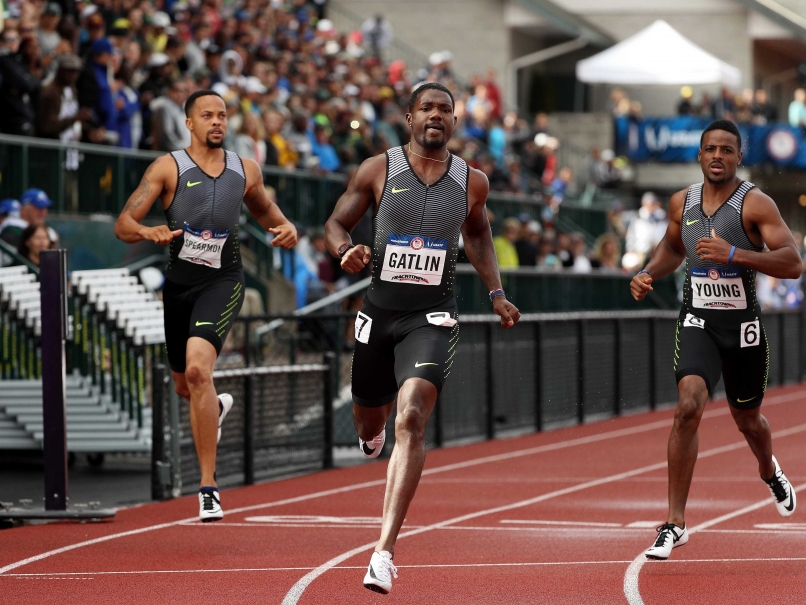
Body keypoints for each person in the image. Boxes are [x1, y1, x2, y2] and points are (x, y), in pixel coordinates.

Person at [324, 82, 520, 595]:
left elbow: (477, 234)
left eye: (445, 109)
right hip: (378, 314)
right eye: (427, 108)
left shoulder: (472, 181)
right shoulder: (378, 169)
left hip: (431, 317)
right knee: (371, 420)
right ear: (409, 118)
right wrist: (345, 249)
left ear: (455, 121)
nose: (436, 115)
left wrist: (496, 292)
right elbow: (336, 223)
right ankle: (372, 434)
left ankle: (383, 552)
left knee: (411, 417)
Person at [114, 89, 298, 522]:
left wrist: (285, 225)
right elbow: (123, 224)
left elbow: (265, 211)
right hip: (179, 287)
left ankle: (208, 487)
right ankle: (213, 409)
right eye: (208, 115)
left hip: (223, 281)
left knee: (199, 370)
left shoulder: (245, 169)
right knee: (185, 385)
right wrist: (147, 232)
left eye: (222, 115)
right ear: (190, 123)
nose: (217, 122)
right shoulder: (167, 167)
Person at [630, 120, 800, 561]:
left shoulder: (754, 203)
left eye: (727, 149)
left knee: (749, 422)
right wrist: (648, 271)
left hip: (743, 329)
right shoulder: (681, 202)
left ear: (739, 156)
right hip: (698, 321)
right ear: (700, 155)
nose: (718, 156)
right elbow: (673, 248)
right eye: (711, 149)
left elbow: (793, 263)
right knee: (688, 405)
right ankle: (675, 522)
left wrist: (735, 254)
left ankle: (769, 470)